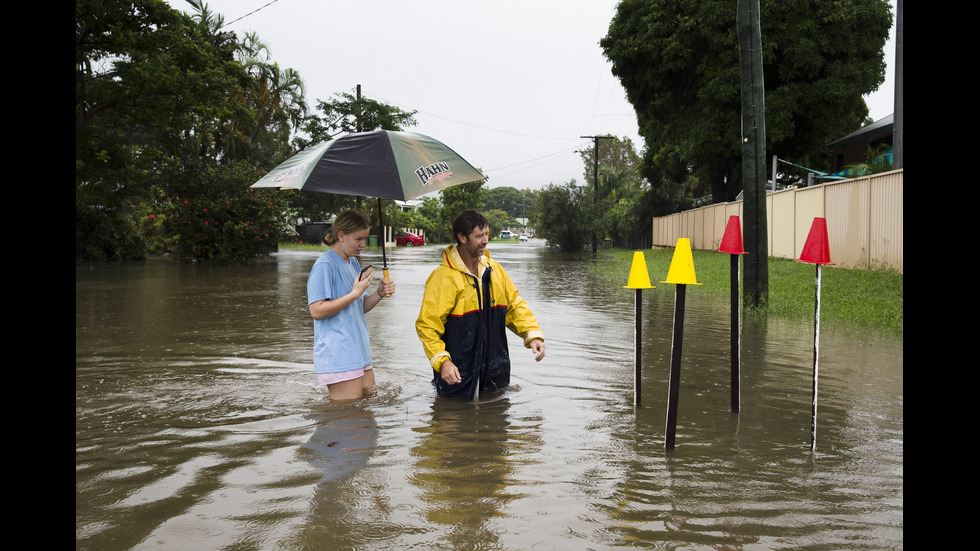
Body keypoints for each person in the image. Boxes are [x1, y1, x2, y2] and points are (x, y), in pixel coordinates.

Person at [416, 210, 545, 400]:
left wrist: (532, 335)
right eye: (479, 236)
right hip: (456, 377)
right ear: (462, 237)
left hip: (496, 373)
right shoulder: (442, 278)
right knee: (451, 419)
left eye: (487, 234)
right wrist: (442, 362)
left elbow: (514, 305)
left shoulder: (495, 271)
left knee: (497, 418)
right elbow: (427, 326)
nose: (485, 240)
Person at [308, 210, 395, 400]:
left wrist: (379, 293)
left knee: (366, 415)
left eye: (365, 238)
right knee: (348, 418)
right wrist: (354, 293)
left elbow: (358, 306)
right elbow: (316, 310)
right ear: (341, 235)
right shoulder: (325, 265)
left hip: (359, 350)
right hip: (339, 354)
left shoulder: (354, 264)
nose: (363, 244)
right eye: (359, 239)